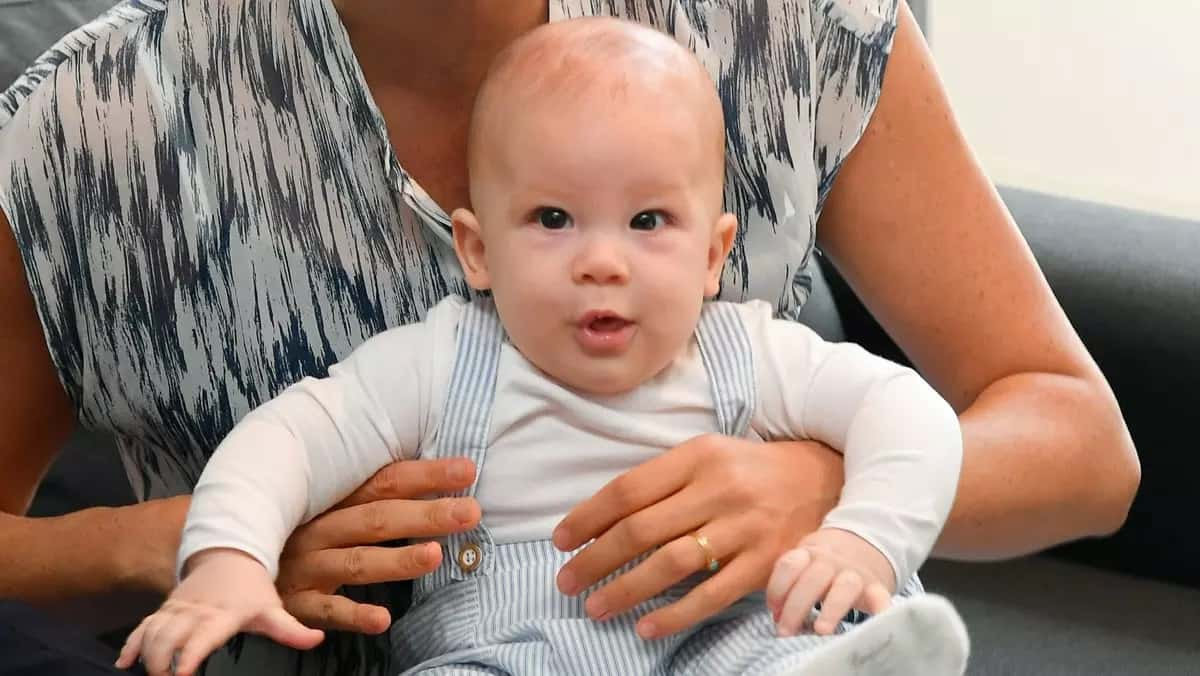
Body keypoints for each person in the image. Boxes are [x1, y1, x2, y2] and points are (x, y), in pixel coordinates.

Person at [0, 1, 1139, 676]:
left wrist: (825, 493)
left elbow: (1083, 442)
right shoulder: (90, 129)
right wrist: (194, 548)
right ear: (477, 245)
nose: (599, 260)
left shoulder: (785, 25)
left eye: (648, 223)